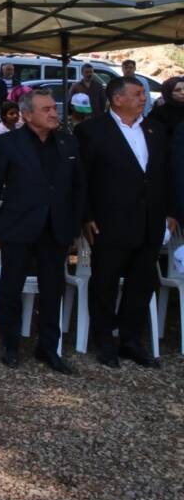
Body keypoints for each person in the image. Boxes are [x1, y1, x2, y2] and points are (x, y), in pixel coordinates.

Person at [0, 89, 85, 373]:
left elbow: (79, 188)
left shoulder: (68, 143)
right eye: (46, 109)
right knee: (11, 286)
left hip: (56, 228)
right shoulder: (8, 143)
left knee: (53, 289)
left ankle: (48, 348)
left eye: (54, 108)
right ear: (27, 115)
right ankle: (11, 345)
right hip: (18, 227)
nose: (54, 113)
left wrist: (75, 226)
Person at [77, 75, 176, 368]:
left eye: (143, 94)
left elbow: (165, 175)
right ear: (117, 99)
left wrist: (170, 211)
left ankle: (131, 339)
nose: (144, 98)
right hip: (110, 221)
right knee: (105, 282)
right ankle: (104, 340)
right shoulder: (92, 131)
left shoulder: (156, 129)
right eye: (137, 94)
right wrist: (86, 216)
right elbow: (81, 178)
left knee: (142, 282)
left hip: (150, 221)